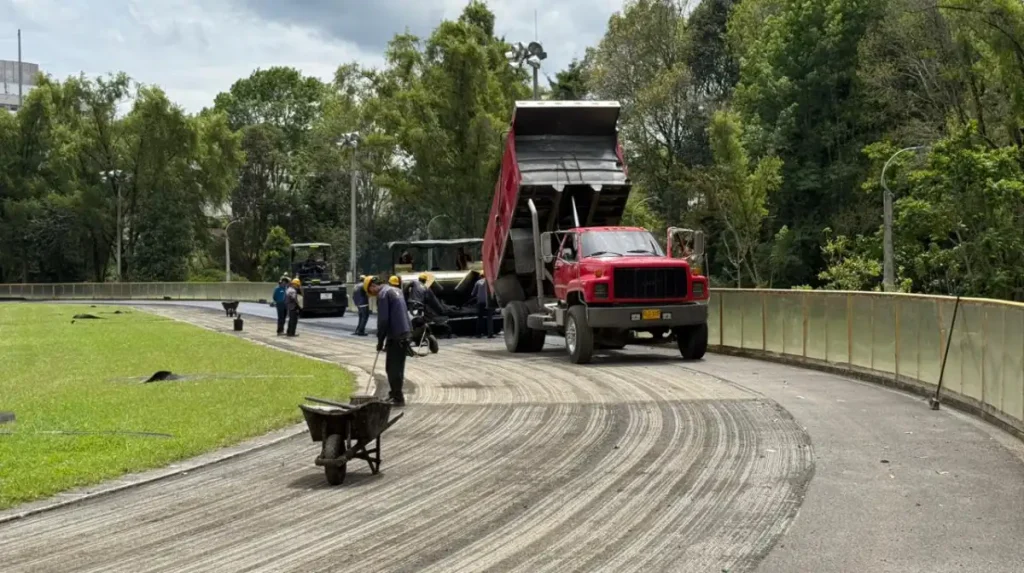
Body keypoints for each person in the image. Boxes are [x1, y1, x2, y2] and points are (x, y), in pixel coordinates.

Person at [366, 275, 413, 406]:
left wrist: (380, 340)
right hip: (405, 332)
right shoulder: (396, 290)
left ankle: (397, 397)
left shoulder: (383, 295)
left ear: (372, 286)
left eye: (370, 292)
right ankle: (396, 394)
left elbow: (383, 320)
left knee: (391, 368)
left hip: (396, 335)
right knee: (398, 367)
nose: (373, 295)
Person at [472, 270, 494, 338]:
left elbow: (473, 293)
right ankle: (490, 334)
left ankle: (478, 334)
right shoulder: (490, 282)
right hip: (488, 302)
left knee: (480, 318)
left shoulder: (478, 282)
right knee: (489, 318)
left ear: (480, 276)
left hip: (480, 302)